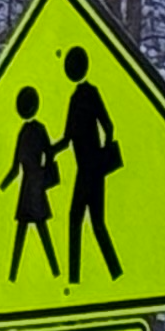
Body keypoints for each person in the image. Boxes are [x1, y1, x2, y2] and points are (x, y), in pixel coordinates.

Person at [60, 46, 122, 284]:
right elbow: (68, 138)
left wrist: (104, 153)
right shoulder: (76, 98)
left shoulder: (87, 95)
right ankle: (102, 274)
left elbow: (107, 125)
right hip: (86, 169)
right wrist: (49, 151)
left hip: (90, 170)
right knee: (87, 221)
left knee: (85, 221)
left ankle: (92, 276)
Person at [0, 86, 63, 281]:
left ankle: (18, 275)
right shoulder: (36, 130)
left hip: (28, 187)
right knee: (35, 231)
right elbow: (48, 152)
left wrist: (3, 185)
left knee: (31, 231)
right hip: (34, 185)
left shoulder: (24, 132)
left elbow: (15, 168)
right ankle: (51, 272)